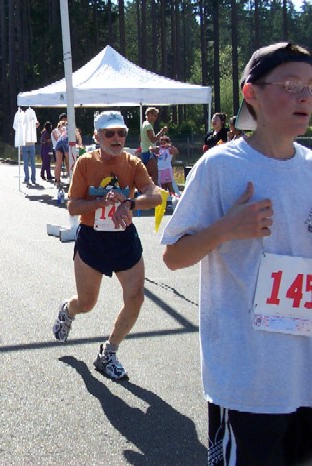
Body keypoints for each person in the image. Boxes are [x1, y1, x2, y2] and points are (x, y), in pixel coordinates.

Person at [161, 42, 312, 465]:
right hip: (249, 379)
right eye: (291, 85)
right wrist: (226, 229)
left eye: (311, 87)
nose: (304, 97)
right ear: (251, 93)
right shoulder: (221, 167)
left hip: (304, 373)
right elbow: (173, 256)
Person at [52, 111, 162, 380]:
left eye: (121, 133)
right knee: (87, 303)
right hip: (93, 237)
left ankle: (108, 353)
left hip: (123, 236)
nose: (116, 138)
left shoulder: (133, 163)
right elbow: (73, 206)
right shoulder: (86, 163)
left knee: (135, 297)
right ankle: (68, 311)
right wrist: (101, 202)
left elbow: (155, 196)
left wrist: (130, 203)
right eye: (109, 133)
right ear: (97, 136)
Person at [139, 107, 167, 185]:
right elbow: (153, 140)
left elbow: (141, 139)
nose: (156, 117)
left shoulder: (144, 124)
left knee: (148, 175)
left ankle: (147, 190)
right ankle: (154, 191)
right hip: (148, 153)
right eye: (155, 115)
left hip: (144, 152)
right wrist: (162, 132)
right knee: (155, 174)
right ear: (149, 114)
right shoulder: (148, 125)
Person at [52, 116, 69, 187]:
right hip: (65, 141)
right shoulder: (70, 129)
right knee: (69, 163)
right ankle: (71, 178)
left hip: (59, 143)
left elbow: (58, 138)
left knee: (58, 164)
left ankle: (57, 180)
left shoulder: (59, 130)